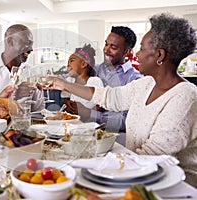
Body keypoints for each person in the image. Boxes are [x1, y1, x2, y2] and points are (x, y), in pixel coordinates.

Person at [48, 13, 197, 187]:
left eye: (141, 49)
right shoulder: (146, 84)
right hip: (137, 174)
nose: (137, 55)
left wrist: (93, 162)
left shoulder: (185, 96)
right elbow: (109, 97)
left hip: (173, 186)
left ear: (160, 56)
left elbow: (152, 154)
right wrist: (63, 84)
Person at [65, 26, 142, 135]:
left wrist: (89, 113)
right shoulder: (94, 69)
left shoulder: (135, 79)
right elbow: (71, 74)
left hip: (116, 138)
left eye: (113, 47)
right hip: (83, 132)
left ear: (127, 51)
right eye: (106, 44)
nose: (106, 50)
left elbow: (128, 120)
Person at [0, 24, 44, 111]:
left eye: (31, 44)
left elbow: (39, 110)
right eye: (27, 43)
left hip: (26, 124)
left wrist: (36, 91)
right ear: (10, 41)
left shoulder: (31, 71)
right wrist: (13, 97)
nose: (31, 49)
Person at [61, 44, 103, 110]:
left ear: (83, 64)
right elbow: (66, 99)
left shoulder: (94, 81)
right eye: (68, 62)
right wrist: (67, 102)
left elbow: (101, 107)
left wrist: (83, 110)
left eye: (72, 61)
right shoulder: (70, 81)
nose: (68, 65)